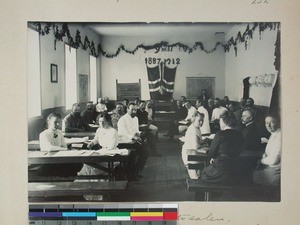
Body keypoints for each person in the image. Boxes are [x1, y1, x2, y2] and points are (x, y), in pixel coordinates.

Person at [200, 111, 244, 184]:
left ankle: (210, 193)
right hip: (235, 169)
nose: (219, 123)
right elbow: (239, 151)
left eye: (220, 121)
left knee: (204, 172)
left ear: (225, 122)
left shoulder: (220, 134)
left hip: (221, 169)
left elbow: (211, 152)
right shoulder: (239, 135)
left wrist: (213, 157)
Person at [117, 103, 150, 180]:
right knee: (134, 154)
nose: (134, 112)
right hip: (125, 142)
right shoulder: (122, 119)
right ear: (127, 109)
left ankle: (135, 171)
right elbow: (122, 133)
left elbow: (136, 130)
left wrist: (138, 134)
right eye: (132, 110)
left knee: (146, 152)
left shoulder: (135, 118)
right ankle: (131, 175)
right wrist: (134, 136)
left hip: (134, 141)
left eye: (136, 110)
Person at [253, 115, 281, 186]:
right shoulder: (274, 134)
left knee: (247, 177)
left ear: (278, 123)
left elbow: (273, 160)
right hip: (269, 168)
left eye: (272, 122)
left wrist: (262, 160)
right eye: (266, 122)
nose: (268, 125)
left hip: (274, 172)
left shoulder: (280, 136)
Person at [181, 112, 205, 179]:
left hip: (193, 153)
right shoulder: (193, 130)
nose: (201, 122)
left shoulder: (196, 127)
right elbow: (196, 147)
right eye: (199, 120)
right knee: (196, 177)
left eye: (202, 120)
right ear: (194, 120)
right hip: (190, 156)